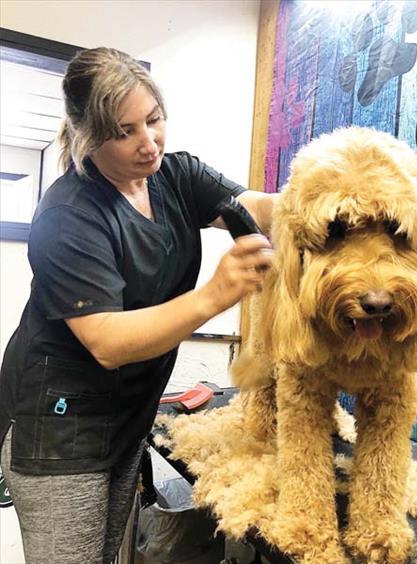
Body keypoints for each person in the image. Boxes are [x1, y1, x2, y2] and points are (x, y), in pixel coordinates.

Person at [0, 47, 276, 564]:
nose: (148, 143)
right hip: (60, 428)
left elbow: (254, 206)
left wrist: (315, 204)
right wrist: (216, 293)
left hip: (127, 415)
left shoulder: (176, 176)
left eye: (154, 120)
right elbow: (108, 342)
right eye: (124, 131)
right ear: (87, 135)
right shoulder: (68, 214)